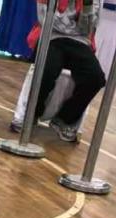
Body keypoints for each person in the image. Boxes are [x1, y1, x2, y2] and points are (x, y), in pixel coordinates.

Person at [30, 0, 106, 142]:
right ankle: (33, 113)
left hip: (80, 42)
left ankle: (64, 118)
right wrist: (73, 27)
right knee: (47, 70)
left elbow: (88, 28)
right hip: (51, 36)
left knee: (96, 78)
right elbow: (45, 18)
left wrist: (86, 7)